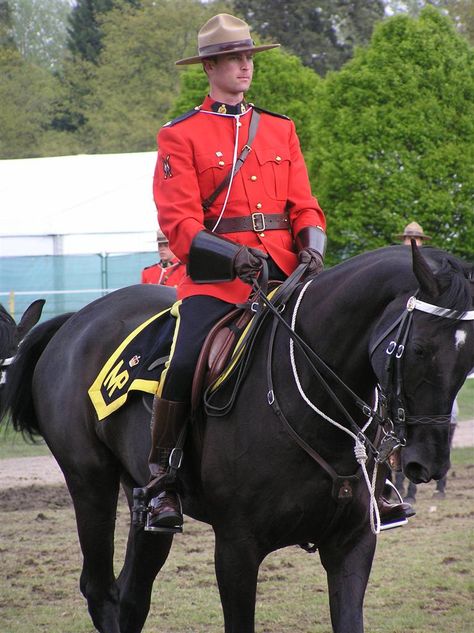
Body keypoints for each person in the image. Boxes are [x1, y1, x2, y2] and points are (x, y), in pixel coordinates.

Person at [145, 13, 407, 533]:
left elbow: (306, 206)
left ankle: (378, 472)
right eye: (236, 58)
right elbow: (178, 223)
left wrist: (312, 246)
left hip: (289, 278)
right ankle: (164, 480)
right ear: (212, 66)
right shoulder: (181, 135)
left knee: (352, 354)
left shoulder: (280, 128)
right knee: (186, 358)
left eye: (249, 57)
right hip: (218, 284)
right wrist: (230, 257)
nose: (246, 66)